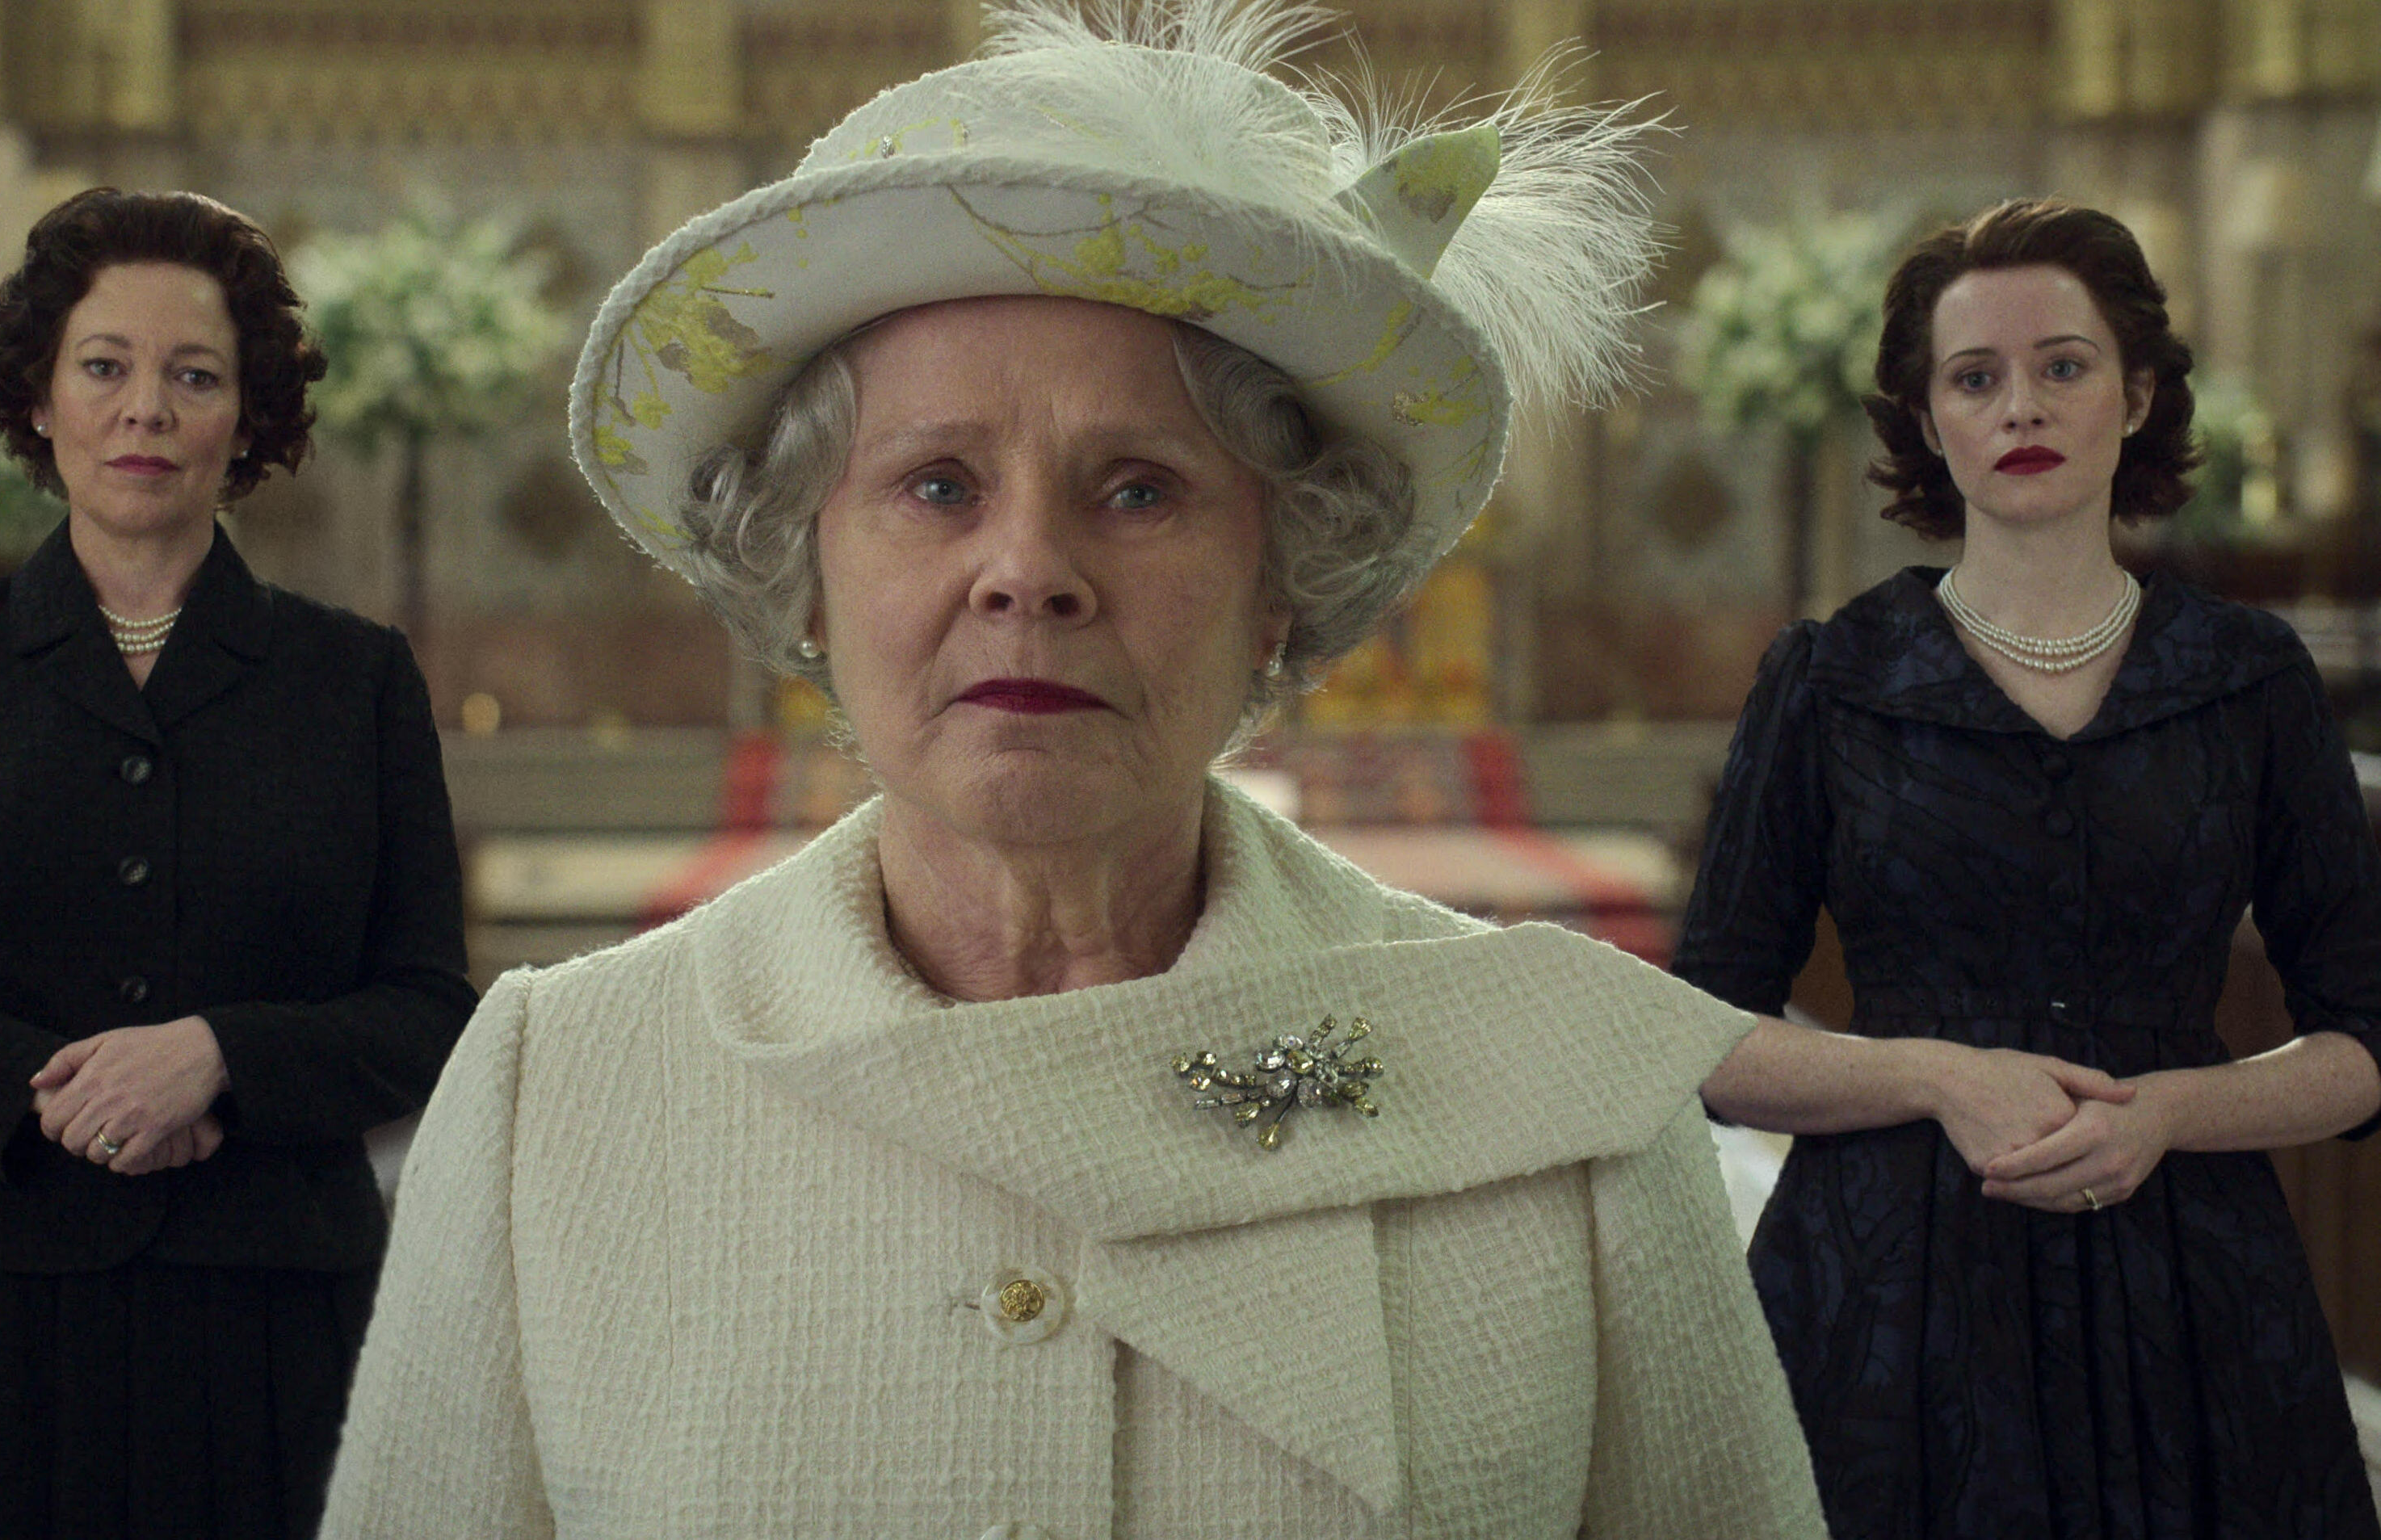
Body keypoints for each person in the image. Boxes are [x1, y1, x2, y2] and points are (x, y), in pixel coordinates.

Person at [321, 4, 1825, 1535]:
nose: (1027, 570)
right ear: (808, 570)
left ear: (1281, 578)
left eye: (1138, 488)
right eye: (936, 484)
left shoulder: (1570, 1089)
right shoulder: (552, 1092)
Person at [0, 187, 477, 1540]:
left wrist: (222, 1059)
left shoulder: (353, 681)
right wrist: (42, 1098)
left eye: (193, 375)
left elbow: (430, 1008)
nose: (145, 408)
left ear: (250, 419)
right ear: (38, 399)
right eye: (105, 366)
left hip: (264, 1316)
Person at [1676, 196, 2381, 1538]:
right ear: (1927, 419)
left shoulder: (2249, 679)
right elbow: (1705, 1036)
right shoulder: (1829, 680)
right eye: (1975, 377)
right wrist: (1937, 1074)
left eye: (2063, 365)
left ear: (2140, 394)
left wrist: (2172, 1110)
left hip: (2192, 1292)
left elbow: (2364, 1038)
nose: (2021, 408)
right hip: (1884, 1303)